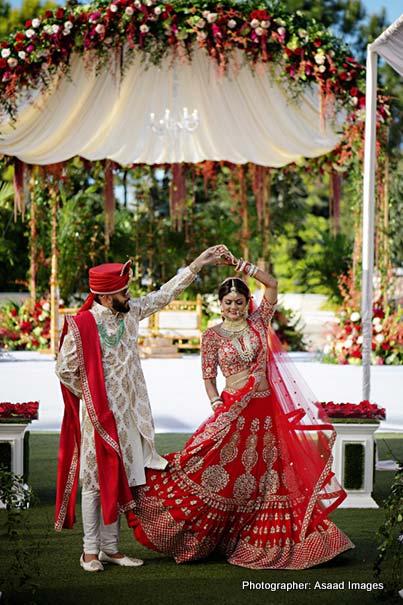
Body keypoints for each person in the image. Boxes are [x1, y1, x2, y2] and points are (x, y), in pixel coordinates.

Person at [127, 251, 354, 569]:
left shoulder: (260, 322)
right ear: (219, 304)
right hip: (233, 412)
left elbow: (272, 284)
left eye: (239, 301)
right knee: (214, 470)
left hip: (266, 414)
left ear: (248, 302)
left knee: (271, 480)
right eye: (228, 302)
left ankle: (301, 541)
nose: (233, 307)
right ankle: (201, 535)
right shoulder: (212, 336)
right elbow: (208, 377)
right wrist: (216, 403)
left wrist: (241, 265)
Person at [55, 245, 227, 572]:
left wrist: (197, 264)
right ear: (106, 297)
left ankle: (111, 549)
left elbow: (164, 295)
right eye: (123, 291)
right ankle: (89, 551)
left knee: (123, 479)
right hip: (100, 418)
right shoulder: (83, 325)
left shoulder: (130, 312)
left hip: (131, 416)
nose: (129, 295)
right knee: (94, 481)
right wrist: (92, 395)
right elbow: (63, 369)